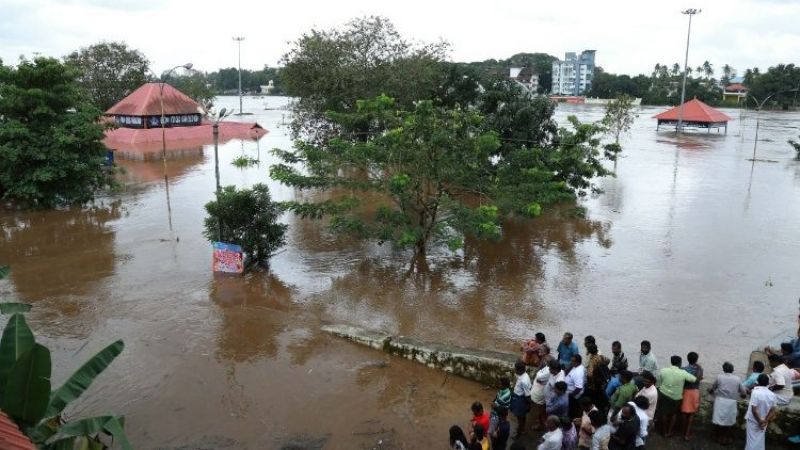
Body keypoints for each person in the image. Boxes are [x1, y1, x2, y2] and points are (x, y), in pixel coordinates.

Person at [655, 355, 696, 438]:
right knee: (674, 414)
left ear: (671, 362)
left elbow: (660, 382)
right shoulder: (683, 372)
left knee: (664, 413)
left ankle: (664, 432)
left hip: (664, 394)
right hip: (676, 397)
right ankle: (669, 432)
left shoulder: (664, 370)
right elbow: (693, 379)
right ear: (680, 363)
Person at [708, 362, 747, 445]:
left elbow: (713, 388)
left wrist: (710, 391)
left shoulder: (719, 377)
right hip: (731, 403)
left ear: (723, 369)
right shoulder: (737, 379)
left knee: (718, 420)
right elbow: (743, 393)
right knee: (729, 421)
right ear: (732, 370)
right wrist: (740, 395)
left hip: (720, 401)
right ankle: (725, 438)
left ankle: (717, 437)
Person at [745, 374, 778, 450]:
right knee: (760, 440)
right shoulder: (772, 395)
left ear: (758, 382)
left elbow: (754, 410)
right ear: (768, 383)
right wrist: (765, 420)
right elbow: (773, 410)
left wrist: (759, 420)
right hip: (764, 421)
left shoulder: (755, 392)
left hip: (753, 420)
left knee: (751, 440)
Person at [680, 351, 703, 441]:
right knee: (691, 414)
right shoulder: (699, 369)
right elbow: (698, 379)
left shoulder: (683, 369)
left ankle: (682, 431)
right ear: (696, 360)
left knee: (684, 412)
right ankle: (687, 434)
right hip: (694, 392)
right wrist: (699, 367)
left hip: (685, 391)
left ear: (687, 359)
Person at [585, 343, 611, 411]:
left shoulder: (593, 360)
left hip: (594, 383)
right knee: (600, 394)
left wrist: (589, 384)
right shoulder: (600, 357)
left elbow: (590, 374)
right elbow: (608, 360)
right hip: (601, 381)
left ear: (589, 351)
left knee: (595, 398)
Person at [511, 360, 533, 438]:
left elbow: (527, 395)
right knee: (522, 416)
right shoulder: (523, 375)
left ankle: (519, 433)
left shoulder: (524, 381)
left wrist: (528, 405)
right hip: (518, 397)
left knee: (520, 417)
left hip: (520, 400)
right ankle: (522, 429)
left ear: (520, 370)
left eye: (516, 369)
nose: (515, 370)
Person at [532, 361, 553, 430]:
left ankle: (542, 424)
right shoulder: (547, 369)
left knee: (541, 410)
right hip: (543, 393)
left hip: (543, 394)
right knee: (541, 409)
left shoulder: (547, 372)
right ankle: (542, 422)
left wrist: (539, 373)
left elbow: (538, 376)